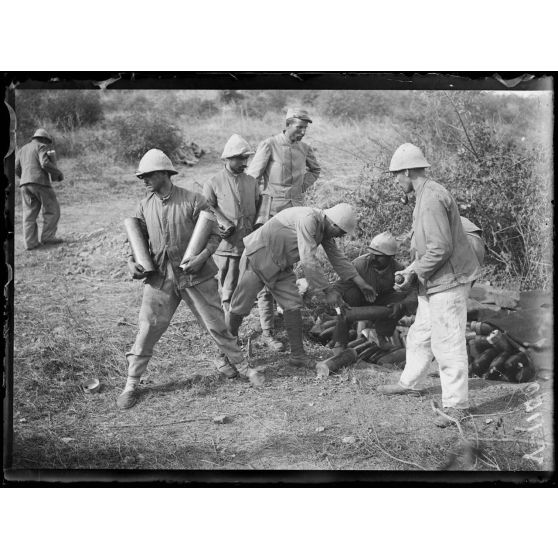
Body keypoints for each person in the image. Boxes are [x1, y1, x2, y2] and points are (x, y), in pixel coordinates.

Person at [117, 149, 263, 410]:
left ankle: (243, 368)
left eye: (148, 175)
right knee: (147, 328)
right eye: (142, 177)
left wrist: (202, 257)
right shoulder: (143, 205)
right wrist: (132, 263)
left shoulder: (193, 200)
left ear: (164, 174)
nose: (144, 180)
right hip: (160, 278)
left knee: (217, 324)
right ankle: (131, 384)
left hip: (196, 275)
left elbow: (215, 235)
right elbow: (136, 242)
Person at [376, 144, 479, 428]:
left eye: (397, 174)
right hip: (433, 279)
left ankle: (457, 406)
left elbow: (441, 248)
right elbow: (426, 248)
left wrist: (413, 273)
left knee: (448, 344)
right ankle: (411, 383)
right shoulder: (424, 195)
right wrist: (411, 270)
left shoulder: (431, 197)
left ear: (408, 171)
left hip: (449, 280)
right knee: (420, 335)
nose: (396, 179)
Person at [226, 203, 377, 368]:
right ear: (333, 223)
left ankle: (298, 356)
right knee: (240, 307)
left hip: (281, 265)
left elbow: (337, 257)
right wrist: (328, 291)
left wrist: (361, 283)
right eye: (340, 232)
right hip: (258, 257)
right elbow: (308, 260)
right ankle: (225, 352)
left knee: (292, 305)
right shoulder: (309, 220)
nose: (340, 236)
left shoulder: (324, 228)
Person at [246, 108, 321, 351]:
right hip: (270, 216)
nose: (302, 132)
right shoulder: (269, 145)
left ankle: (286, 319)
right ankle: (268, 331)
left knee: (287, 270)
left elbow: (316, 171)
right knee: (266, 273)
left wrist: (299, 189)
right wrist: (257, 207)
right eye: (299, 127)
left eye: (305, 128)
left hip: (295, 214)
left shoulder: (305, 148)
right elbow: (251, 179)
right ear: (287, 124)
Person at [203, 134, 285, 350]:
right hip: (227, 249)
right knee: (228, 293)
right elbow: (206, 209)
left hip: (252, 247)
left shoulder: (251, 181)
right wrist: (220, 223)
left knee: (264, 291)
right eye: (239, 158)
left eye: (245, 158)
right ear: (226, 159)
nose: (243, 163)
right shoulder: (213, 182)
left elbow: (261, 208)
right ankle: (231, 338)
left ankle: (268, 333)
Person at [335, 231, 418, 341]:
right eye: (372, 254)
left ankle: (381, 335)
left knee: (401, 299)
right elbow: (340, 286)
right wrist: (337, 300)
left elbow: (414, 291)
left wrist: (402, 304)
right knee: (350, 294)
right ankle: (340, 342)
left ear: (390, 257)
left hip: (380, 300)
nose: (373, 258)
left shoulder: (398, 269)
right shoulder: (359, 265)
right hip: (357, 301)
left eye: (379, 256)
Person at [15, 128, 64, 249]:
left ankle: (30, 243)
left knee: (29, 214)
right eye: (47, 141)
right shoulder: (42, 146)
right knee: (52, 209)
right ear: (43, 139)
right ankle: (48, 237)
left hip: (24, 184)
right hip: (40, 182)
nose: (47, 144)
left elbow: (16, 167)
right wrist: (57, 173)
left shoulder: (22, 149)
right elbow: (44, 163)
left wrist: (25, 178)